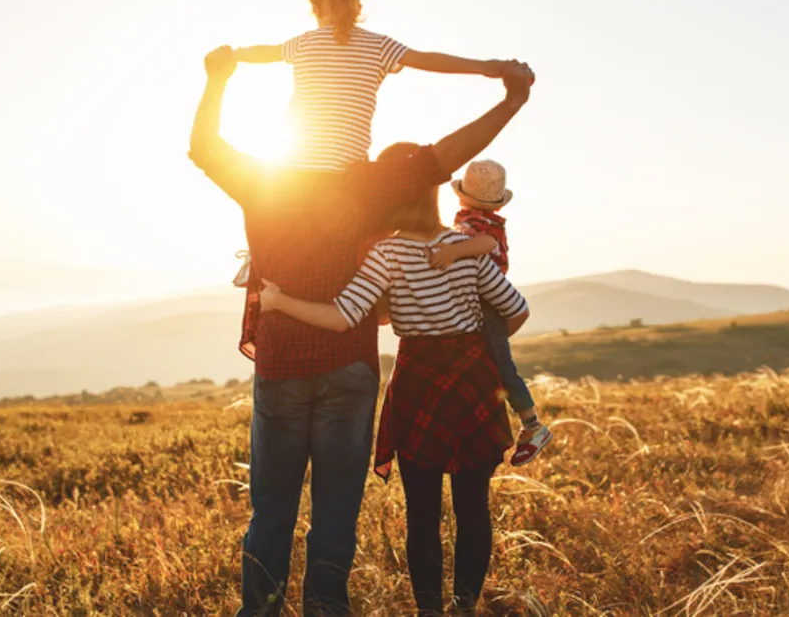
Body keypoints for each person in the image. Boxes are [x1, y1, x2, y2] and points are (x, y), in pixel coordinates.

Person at [188, 46, 534, 616]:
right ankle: (327, 608)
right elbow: (446, 157)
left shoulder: (262, 180)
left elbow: (203, 147)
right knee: (336, 509)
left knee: (271, 509)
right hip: (350, 368)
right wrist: (510, 100)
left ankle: (261, 611)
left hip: (281, 366)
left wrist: (217, 80)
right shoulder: (369, 187)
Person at [258, 156, 530, 614]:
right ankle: (463, 605)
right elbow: (516, 308)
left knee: (422, 512)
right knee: (473, 506)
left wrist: (280, 301)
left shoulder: (387, 253)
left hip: (419, 382)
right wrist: (478, 342)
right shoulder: (468, 247)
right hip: (473, 381)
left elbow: (343, 317)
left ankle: (429, 610)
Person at [234, 0, 511, 171]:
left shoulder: (303, 43)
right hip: (347, 171)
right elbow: (429, 60)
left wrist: (233, 55)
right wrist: (488, 67)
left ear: (315, 9)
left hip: (293, 169)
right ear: (358, 8)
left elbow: (264, 53)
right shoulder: (379, 45)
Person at [428, 159, 553, 465]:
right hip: (479, 300)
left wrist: (453, 252)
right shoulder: (475, 218)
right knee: (487, 363)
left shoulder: (480, 225)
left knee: (501, 365)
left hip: (487, 301)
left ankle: (532, 425)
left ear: (461, 195)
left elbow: (484, 244)